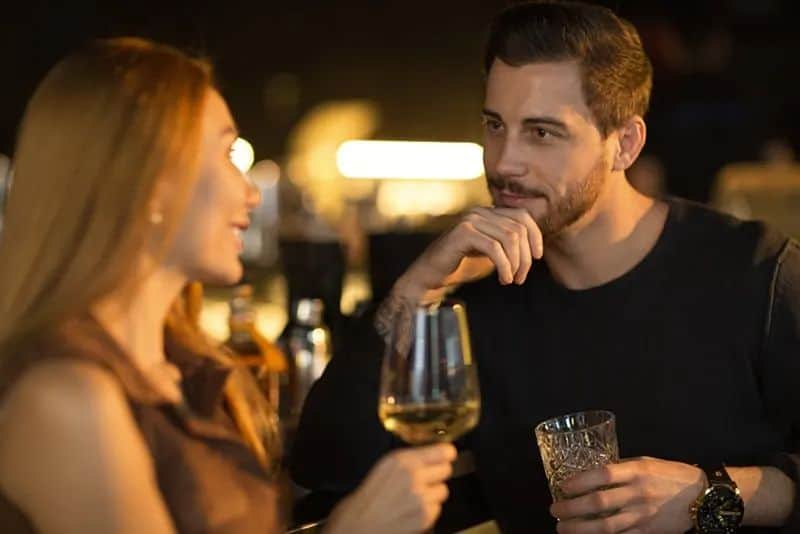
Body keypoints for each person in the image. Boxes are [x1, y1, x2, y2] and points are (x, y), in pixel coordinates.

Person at [291, 2, 800, 532]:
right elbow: (323, 467)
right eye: (495, 125)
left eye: (541, 133)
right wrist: (415, 291)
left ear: (625, 143)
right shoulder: (477, 299)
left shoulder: (756, 274)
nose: (504, 161)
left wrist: (714, 492)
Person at [0, 37, 455, 533]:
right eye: (227, 155)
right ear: (150, 183)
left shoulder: (188, 368)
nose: (250, 195)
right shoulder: (65, 400)